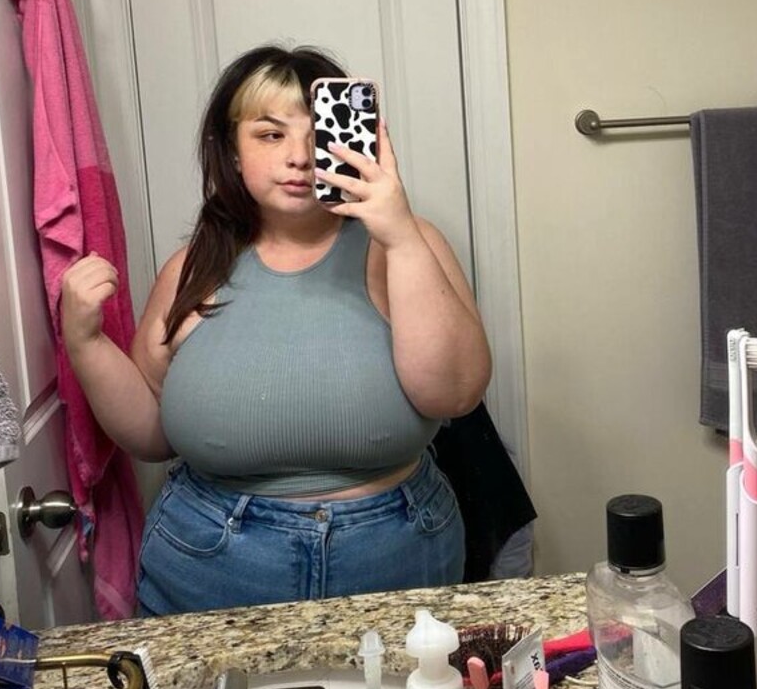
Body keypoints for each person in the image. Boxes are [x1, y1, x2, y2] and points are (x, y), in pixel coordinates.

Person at [60, 44, 491, 615]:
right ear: (232, 152)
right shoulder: (192, 268)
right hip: (208, 560)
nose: (299, 157)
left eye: (318, 135)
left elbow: (455, 394)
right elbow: (151, 435)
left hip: (396, 553)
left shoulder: (408, 244)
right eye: (270, 134)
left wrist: (400, 234)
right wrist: (85, 342)